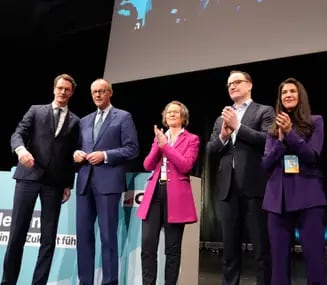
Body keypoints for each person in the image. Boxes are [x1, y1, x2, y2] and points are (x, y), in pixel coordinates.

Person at [1, 73, 80, 285]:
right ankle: (8, 282)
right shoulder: (36, 110)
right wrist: (20, 150)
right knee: (17, 232)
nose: (63, 92)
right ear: (54, 89)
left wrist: (67, 184)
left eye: (67, 89)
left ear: (71, 93)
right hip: (28, 177)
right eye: (60, 88)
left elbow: (71, 154)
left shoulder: (75, 121)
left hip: (54, 183)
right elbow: (18, 133)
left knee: (48, 238)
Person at [206, 70, 275, 285]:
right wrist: (224, 137)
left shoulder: (264, 111)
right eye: (229, 85)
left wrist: (238, 127)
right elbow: (210, 149)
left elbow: (268, 140)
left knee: (261, 248)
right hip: (228, 188)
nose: (232, 87)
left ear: (249, 85)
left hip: (255, 186)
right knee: (230, 249)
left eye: (237, 82)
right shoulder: (221, 118)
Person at [73, 78, 139, 285]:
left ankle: (110, 282)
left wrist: (105, 155)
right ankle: (86, 282)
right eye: (94, 92)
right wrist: (75, 153)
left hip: (108, 183)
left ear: (110, 93)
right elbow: (75, 147)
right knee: (83, 237)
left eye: (102, 91)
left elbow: (132, 149)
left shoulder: (123, 117)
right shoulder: (83, 121)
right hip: (84, 183)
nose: (98, 95)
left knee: (108, 237)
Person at [261, 77, 327, 285]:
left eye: (292, 91)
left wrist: (290, 134)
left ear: (300, 96)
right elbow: (266, 163)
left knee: (314, 257)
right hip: (277, 200)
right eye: (284, 93)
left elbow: (312, 157)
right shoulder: (273, 129)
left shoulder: (315, 121)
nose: (288, 95)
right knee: (278, 262)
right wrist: (280, 141)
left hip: (308, 196)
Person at [136, 100, 200, 285]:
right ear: (164, 117)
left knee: (172, 249)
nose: (172, 114)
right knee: (148, 247)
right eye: (168, 112)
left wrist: (166, 147)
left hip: (176, 197)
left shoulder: (191, 139)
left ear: (183, 117)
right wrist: (159, 144)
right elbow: (147, 164)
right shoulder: (159, 138)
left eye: (176, 112)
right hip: (154, 194)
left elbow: (186, 165)